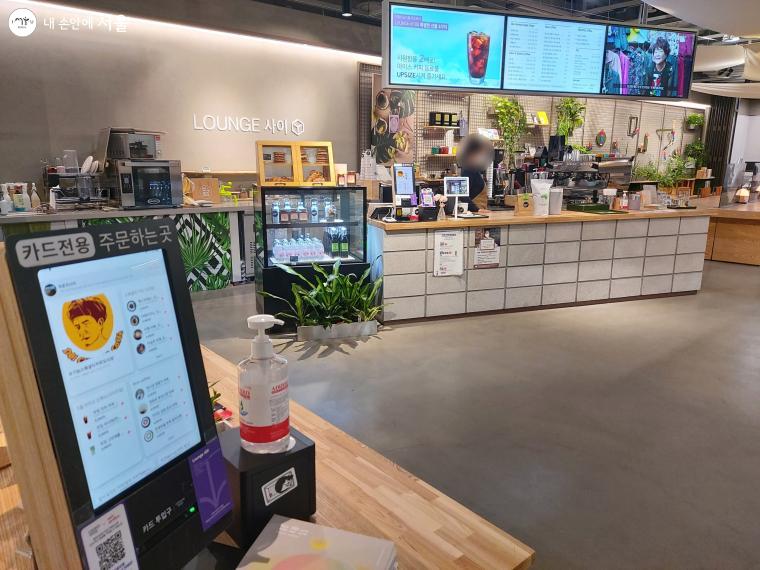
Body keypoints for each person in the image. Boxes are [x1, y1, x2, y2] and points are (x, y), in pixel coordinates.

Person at [457, 134, 493, 212]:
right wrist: (477, 210)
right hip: (474, 214)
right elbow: (463, 195)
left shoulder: (472, 168)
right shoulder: (468, 170)